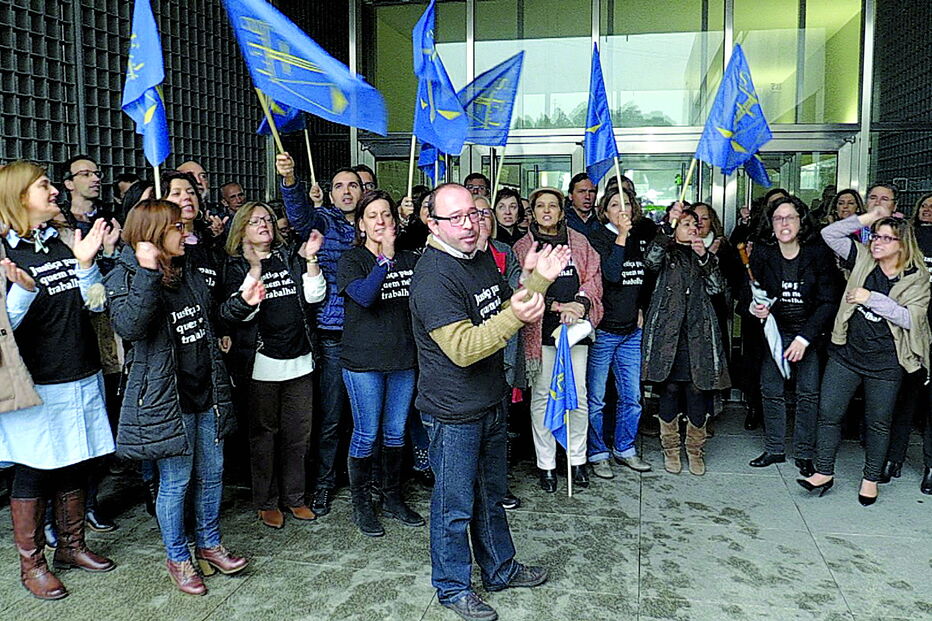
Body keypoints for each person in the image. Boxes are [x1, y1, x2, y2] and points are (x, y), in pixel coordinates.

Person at [410, 182, 567, 621]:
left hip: (490, 400)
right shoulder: (432, 276)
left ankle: (500, 568)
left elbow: (504, 307)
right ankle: (452, 587)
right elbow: (463, 346)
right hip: (453, 410)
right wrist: (518, 314)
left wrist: (537, 280)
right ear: (433, 223)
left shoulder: (478, 259)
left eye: (474, 214)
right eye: (455, 217)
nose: (468, 224)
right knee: (454, 506)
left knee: (490, 496)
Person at [107, 200, 251, 595]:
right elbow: (131, 325)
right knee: (175, 481)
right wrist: (148, 271)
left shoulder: (187, 271)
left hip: (206, 389)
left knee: (213, 473)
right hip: (168, 399)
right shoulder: (125, 275)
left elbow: (211, 319)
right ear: (153, 235)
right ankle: (178, 555)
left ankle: (209, 543)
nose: (185, 235)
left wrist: (243, 303)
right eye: (175, 229)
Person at [0, 161, 116, 600]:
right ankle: (32, 565)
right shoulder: (5, 253)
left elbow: (95, 305)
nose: (53, 193)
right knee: (33, 471)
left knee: (77, 458)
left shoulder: (58, 244)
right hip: (37, 382)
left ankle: (71, 546)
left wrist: (86, 264)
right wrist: (22, 292)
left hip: (79, 371)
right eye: (44, 186)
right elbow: (1, 328)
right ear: (18, 196)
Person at [800, 205, 931, 505]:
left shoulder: (916, 278)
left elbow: (912, 319)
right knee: (828, 413)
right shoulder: (863, 258)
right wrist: (869, 218)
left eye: (886, 238)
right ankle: (823, 472)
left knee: (878, 422)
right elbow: (829, 233)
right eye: (876, 236)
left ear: (902, 245)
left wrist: (871, 299)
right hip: (847, 353)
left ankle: (870, 479)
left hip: (886, 362)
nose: (877, 242)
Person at [220, 202, 326, 529]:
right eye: (255, 221)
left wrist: (310, 259)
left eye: (267, 219)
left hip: (299, 360)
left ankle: (295, 497)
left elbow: (314, 296)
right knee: (264, 435)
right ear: (241, 230)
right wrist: (254, 271)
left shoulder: (288, 256)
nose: (264, 224)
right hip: (262, 362)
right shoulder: (235, 266)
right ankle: (266, 502)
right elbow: (238, 313)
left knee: (299, 434)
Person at [277, 152, 361, 516]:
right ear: (329, 193)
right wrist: (291, 181)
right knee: (330, 417)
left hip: (373, 336)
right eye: (339, 186)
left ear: (364, 191)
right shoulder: (323, 222)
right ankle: (325, 483)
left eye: (353, 185)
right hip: (335, 335)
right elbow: (298, 216)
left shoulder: (373, 223)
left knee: (365, 420)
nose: (346, 191)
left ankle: (364, 482)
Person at [337, 190, 423, 537]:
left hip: (403, 359)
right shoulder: (352, 260)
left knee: (395, 432)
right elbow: (364, 296)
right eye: (372, 215)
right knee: (366, 433)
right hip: (363, 363)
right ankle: (361, 504)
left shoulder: (409, 258)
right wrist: (384, 261)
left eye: (386, 214)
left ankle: (391, 497)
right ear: (361, 224)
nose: (381, 221)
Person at [514, 187, 603, 493]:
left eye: (553, 206)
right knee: (542, 397)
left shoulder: (579, 242)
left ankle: (577, 460)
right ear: (534, 212)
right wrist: (554, 306)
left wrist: (579, 303)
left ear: (562, 211)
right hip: (540, 333)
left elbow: (593, 278)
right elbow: (522, 288)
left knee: (576, 395)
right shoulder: (523, 246)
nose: (548, 211)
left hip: (574, 330)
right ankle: (547, 464)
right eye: (541, 206)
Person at [746, 196, 838, 476]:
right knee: (771, 391)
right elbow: (748, 289)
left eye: (790, 217)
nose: (784, 223)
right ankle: (774, 448)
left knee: (808, 394)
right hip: (775, 331)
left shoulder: (817, 252)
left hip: (808, 333)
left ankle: (804, 453)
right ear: (771, 224)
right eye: (778, 218)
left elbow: (828, 301)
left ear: (801, 221)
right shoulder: (763, 251)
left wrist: (804, 339)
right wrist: (754, 306)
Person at [642, 205, 730, 475]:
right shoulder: (665, 252)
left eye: (695, 225)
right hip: (669, 335)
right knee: (669, 390)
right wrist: (667, 227)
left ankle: (694, 449)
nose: (692, 229)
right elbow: (650, 261)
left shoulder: (705, 256)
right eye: (685, 224)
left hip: (698, 336)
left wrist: (705, 258)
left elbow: (717, 287)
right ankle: (670, 449)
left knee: (696, 390)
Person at [586, 187, 655, 478]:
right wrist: (621, 236)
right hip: (604, 330)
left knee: (632, 396)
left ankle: (625, 448)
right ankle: (597, 451)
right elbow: (612, 274)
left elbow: (645, 276)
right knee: (597, 398)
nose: (621, 209)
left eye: (626, 204)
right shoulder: (597, 237)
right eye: (614, 204)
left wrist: (641, 306)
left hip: (631, 330)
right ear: (605, 210)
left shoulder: (639, 236)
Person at [882, 192, 932, 494]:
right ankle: (893, 459)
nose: (927, 210)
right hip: (908, 328)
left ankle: (930, 465)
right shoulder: (907, 236)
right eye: (924, 205)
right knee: (904, 399)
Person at [564, 173, 603, 238]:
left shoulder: (603, 219)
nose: (587, 196)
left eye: (592, 191)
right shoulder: (561, 220)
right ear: (570, 196)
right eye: (582, 191)